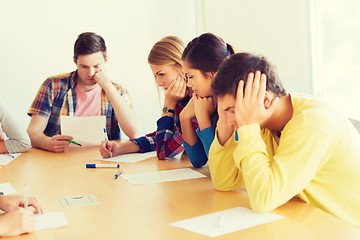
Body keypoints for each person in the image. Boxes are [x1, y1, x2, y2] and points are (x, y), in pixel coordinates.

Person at [209, 52, 360, 228]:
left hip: (347, 230)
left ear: (264, 100)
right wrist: (224, 122)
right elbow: (223, 181)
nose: (229, 120)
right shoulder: (267, 123)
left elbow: (263, 199)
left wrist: (247, 126)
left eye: (232, 110)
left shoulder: (312, 124)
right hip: (311, 223)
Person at [27, 32, 141, 152]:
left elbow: (134, 132)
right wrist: (46, 143)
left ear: (105, 60)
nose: (91, 73)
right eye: (84, 67)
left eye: (96, 66)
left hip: (103, 162)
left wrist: (107, 86)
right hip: (60, 161)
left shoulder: (118, 91)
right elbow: (33, 132)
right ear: (75, 61)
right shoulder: (53, 85)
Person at [100, 36, 196, 159]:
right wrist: (121, 148)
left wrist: (168, 107)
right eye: (156, 76)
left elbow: (164, 151)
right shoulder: (182, 99)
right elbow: (165, 136)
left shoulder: (197, 101)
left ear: (181, 66)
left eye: (161, 74)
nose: (159, 83)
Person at [180, 33, 234, 168]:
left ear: (212, 72)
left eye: (190, 76)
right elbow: (198, 160)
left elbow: (220, 166)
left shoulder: (234, 107)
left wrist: (203, 118)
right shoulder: (210, 101)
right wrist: (184, 117)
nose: (188, 84)